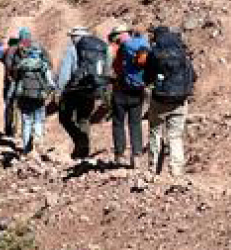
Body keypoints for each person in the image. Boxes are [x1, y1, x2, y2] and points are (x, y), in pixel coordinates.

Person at [145, 25, 197, 177]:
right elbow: (193, 76)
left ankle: (154, 169)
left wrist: (153, 84)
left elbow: (147, 77)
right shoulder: (182, 53)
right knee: (175, 136)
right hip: (180, 100)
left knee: (156, 133)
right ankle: (176, 171)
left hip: (160, 99)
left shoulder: (154, 53)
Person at [55, 25, 110, 160]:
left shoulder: (72, 50)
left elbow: (65, 72)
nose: (71, 39)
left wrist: (59, 90)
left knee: (64, 118)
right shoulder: (100, 49)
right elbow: (105, 69)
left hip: (74, 89)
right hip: (91, 87)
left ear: (76, 37)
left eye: (72, 37)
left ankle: (80, 142)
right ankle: (83, 150)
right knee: (83, 118)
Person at [8, 32, 56, 155]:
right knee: (39, 118)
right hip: (39, 96)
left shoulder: (21, 65)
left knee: (26, 120)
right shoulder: (43, 65)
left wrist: (12, 95)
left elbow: (15, 80)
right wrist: (51, 91)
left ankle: (26, 148)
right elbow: (51, 83)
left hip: (24, 96)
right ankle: (38, 140)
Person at [109, 23, 148, 168]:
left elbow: (116, 68)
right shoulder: (141, 45)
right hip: (138, 90)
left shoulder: (121, 49)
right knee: (135, 123)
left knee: (119, 122)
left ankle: (120, 155)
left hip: (121, 90)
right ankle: (137, 155)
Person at [0, 34, 22, 135]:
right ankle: (21, 131)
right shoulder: (24, 52)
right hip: (23, 83)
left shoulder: (5, 53)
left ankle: (9, 130)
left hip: (9, 84)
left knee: (9, 105)